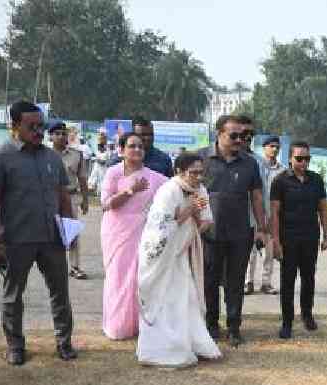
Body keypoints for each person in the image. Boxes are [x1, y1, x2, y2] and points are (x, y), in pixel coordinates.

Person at [0, 100, 77, 365]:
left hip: (52, 239)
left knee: (60, 292)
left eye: (41, 126)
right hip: (16, 240)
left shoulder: (52, 158)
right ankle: (15, 346)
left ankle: (64, 342)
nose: (38, 131)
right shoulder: (1, 157)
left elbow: (63, 198)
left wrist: (69, 230)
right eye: (31, 126)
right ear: (14, 126)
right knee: (13, 296)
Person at [137, 153, 221, 367]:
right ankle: (164, 348)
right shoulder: (168, 191)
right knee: (167, 299)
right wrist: (188, 211)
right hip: (163, 255)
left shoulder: (200, 190)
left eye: (201, 172)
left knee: (187, 298)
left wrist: (197, 221)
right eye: (194, 173)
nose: (199, 177)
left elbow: (207, 222)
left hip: (183, 251)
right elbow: (159, 228)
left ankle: (192, 343)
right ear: (179, 172)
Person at [199, 115, 266, 347]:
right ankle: (211, 325)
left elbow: (256, 197)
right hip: (208, 232)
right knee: (209, 280)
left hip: (240, 233)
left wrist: (261, 228)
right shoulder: (201, 158)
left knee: (235, 282)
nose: (240, 140)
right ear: (219, 134)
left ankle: (234, 327)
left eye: (243, 136)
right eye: (234, 135)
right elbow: (186, 190)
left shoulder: (249, 163)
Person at [100, 132, 168, 340]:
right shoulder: (113, 173)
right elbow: (106, 204)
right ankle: (118, 325)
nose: (137, 150)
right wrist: (131, 190)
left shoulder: (154, 177)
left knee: (142, 277)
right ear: (121, 150)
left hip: (144, 231)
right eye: (132, 146)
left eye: (140, 146)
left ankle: (141, 325)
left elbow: (174, 189)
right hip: (117, 231)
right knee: (119, 277)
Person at [270, 140, 327, 339]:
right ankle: (287, 322)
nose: (304, 162)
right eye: (299, 158)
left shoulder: (316, 180)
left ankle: (307, 315)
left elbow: (323, 208)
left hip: (310, 238)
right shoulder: (280, 181)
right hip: (288, 239)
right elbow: (275, 213)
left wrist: (326, 234)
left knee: (309, 278)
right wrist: (276, 242)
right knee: (287, 281)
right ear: (290, 159)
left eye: (307, 158)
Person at [48, 121, 90, 280]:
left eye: (63, 133)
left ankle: (74, 267)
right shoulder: (44, 154)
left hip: (70, 197)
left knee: (71, 232)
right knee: (49, 231)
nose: (60, 136)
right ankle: (52, 266)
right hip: (49, 197)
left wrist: (85, 200)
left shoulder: (76, 154)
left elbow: (82, 178)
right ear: (50, 136)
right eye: (56, 133)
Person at [246, 134, 286, 296]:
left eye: (277, 147)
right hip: (254, 213)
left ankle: (266, 283)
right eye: (271, 146)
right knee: (251, 251)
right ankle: (248, 282)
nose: (274, 149)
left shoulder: (283, 171)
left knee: (269, 251)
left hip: (273, 215)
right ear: (264, 148)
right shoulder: (256, 165)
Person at [108, 117, 173, 177]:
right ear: (133, 135)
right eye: (142, 135)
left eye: (150, 134)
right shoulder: (117, 160)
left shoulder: (164, 160)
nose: (147, 138)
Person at [88, 128, 110, 195]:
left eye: (101, 133)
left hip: (102, 168)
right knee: (94, 176)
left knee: (102, 179)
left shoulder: (106, 151)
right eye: (100, 133)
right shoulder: (98, 149)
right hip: (97, 166)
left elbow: (103, 161)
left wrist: (97, 159)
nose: (100, 134)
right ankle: (95, 190)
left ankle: (101, 192)